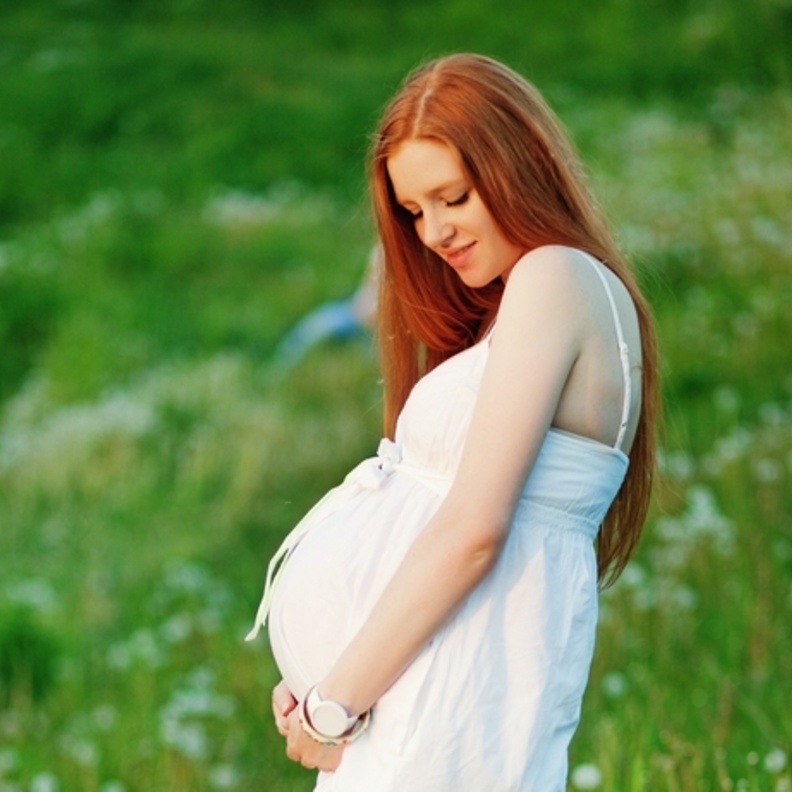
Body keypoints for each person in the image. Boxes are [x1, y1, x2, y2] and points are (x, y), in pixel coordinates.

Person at [246, 53, 659, 791]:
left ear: (518, 165)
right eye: (414, 211)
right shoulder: (532, 298)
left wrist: (334, 705)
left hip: (442, 706)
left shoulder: (555, 277)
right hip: (408, 699)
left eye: (453, 198)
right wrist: (328, 675)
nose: (433, 231)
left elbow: (472, 531)